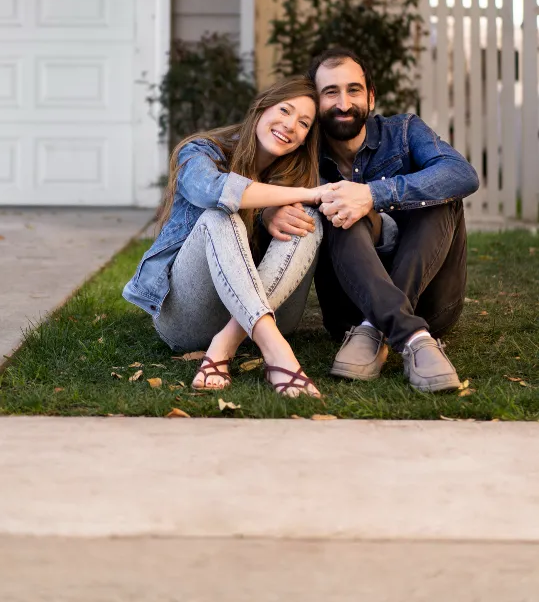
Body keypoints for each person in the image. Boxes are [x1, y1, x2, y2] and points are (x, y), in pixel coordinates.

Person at [263, 47, 479, 393]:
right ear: (315, 104)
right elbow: (259, 182)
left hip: (432, 305)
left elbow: (462, 174)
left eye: (353, 90)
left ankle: (375, 326)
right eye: (330, 92)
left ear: (371, 97)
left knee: (440, 198)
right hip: (346, 312)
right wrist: (268, 211)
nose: (344, 103)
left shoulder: (406, 131)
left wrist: (373, 195)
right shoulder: (302, 151)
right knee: (335, 205)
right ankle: (412, 336)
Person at [123, 76, 326, 398]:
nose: (290, 126)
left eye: (303, 123)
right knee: (219, 214)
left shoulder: (298, 172)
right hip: (189, 319)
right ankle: (276, 352)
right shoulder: (201, 151)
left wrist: (278, 210)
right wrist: (296, 197)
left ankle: (226, 342)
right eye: (285, 111)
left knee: (307, 218)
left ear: (305, 139)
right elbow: (212, 191)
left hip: (271, 311)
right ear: (260, 109)